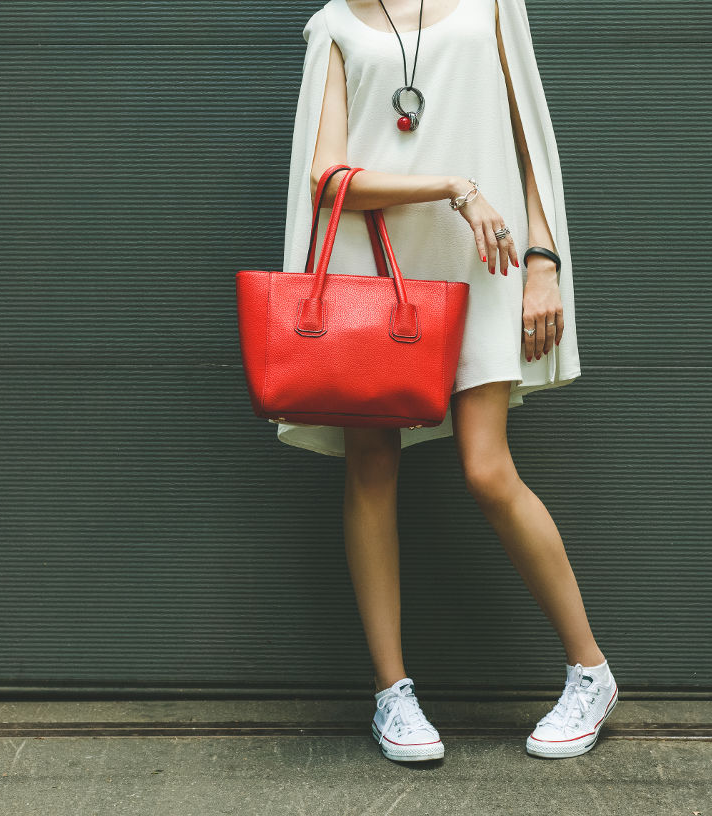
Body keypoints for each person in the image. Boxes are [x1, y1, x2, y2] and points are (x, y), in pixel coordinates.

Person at [278, 0, 618, 762]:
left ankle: (591, 672)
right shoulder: (335, 24)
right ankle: (392, 695)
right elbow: (326, 180)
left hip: (483, 263)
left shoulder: (493, 3)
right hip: (374, 276)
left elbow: (532, 138)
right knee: (371, 471)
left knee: (488, 470)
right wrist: (453, 186)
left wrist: (544, 259)